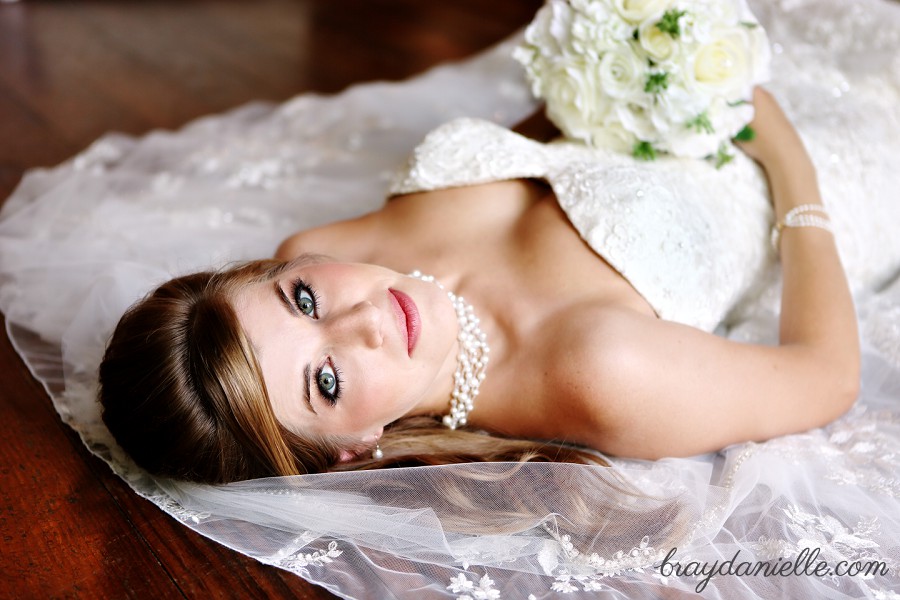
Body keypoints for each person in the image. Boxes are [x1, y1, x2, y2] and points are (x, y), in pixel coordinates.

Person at [98, 87, 860, 485]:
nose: (361, 318)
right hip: (822, 165)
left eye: (301, 299)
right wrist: (788, 158)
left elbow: (541, 153)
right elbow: (825, 377)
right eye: (325, 381)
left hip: (707, 101)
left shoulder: (319, 246)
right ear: (349, 450)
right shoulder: (599, 372)